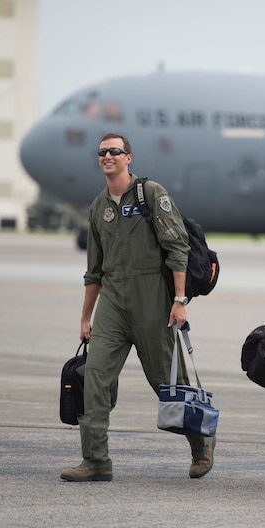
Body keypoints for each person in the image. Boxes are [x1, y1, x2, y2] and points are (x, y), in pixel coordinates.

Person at [60, 133, 215, 482]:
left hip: (152, 299)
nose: (108, 156)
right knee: (94, 377)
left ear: (128, 157)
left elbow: (178, 249)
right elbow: (94, 271)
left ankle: (202, 445)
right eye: (102, 152)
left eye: (115, 151)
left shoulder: (151, 195)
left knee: (168, 382)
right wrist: (86, 316)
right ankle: (96, 461)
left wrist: (178, 301)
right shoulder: (99, 207)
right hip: (113, 300)